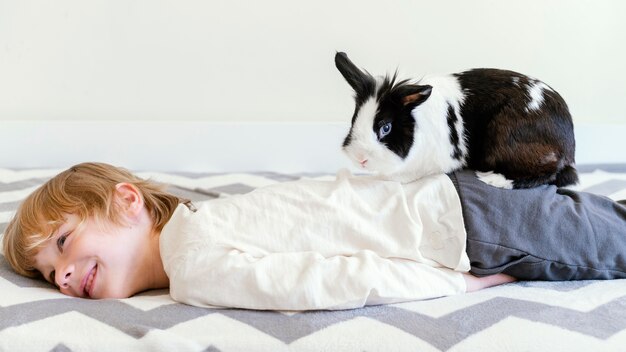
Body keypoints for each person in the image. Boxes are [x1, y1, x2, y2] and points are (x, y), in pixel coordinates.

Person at [2, 162, 625, 311]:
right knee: (601, 220)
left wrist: (455, 282)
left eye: (61, 241)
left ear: (128, 202)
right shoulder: (203, 227)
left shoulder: (191, 266)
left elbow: (332, 279)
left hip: (468, 230)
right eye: (44, 273)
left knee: (609, 241)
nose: (59, 274)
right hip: (453, 198)